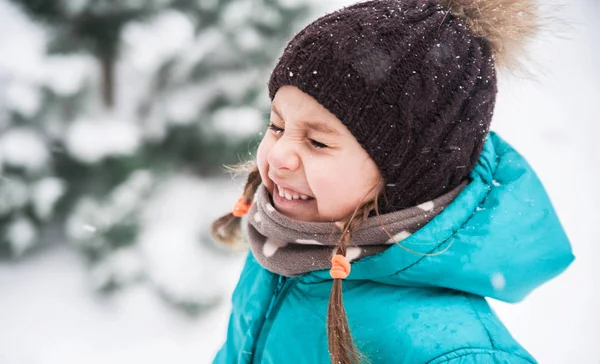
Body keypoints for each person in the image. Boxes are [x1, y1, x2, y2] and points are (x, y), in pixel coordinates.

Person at [211, 0, 575, 363]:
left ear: (408, 175)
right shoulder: (288, 245)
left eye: (317, 142)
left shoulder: (450, 351)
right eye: (277, 126)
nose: (277, 156)